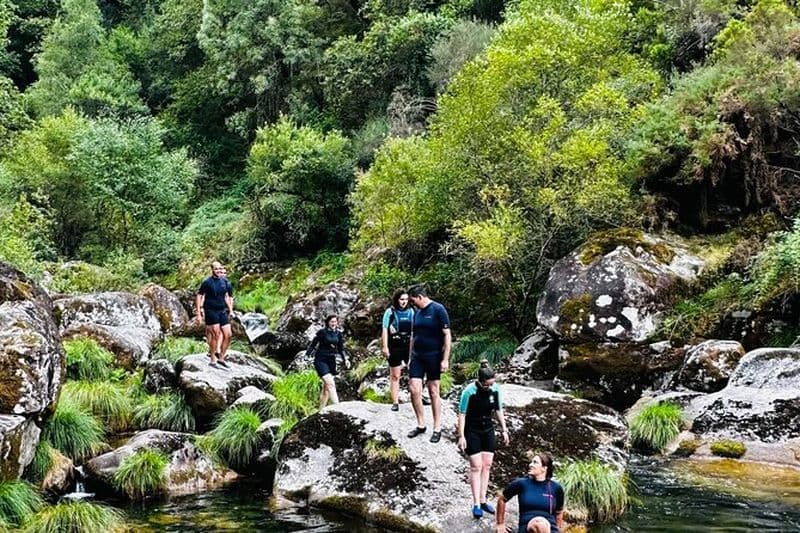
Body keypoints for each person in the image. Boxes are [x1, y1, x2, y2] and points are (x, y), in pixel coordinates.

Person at [458, 360, 509, 518]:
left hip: (488, 429)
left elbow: (498, 410)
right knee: (476, 466)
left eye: (492, 384)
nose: (490, 387)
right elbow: (462, 413)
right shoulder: (469, 391)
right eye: (487, 385)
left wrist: (504, 429)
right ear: (480, 382)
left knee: (487, 465)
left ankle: (483, 499)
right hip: (472, 430)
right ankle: (476, 504)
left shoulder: (496, 390)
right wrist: (461, 436)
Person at [406, 284, 451, 443]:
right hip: (417, 356)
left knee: (433, 391)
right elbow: (413, 335)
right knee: (414, 389)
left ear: (419, 297)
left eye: (413, 300)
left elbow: (447, 335)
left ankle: (437, 427)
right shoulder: (416, 313)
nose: (411, 304)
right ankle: (420, 424)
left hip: (434, 355)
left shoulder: (438, 310)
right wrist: (410, 356)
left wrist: (445, 359)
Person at [495, 452, 565, 533]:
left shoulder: (556, 488)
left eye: (535, 462)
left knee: (542, 525)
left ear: (544, 468)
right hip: (527, 527)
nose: (530, 465)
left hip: (550, 528)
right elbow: (502, 499)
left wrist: (558, 528)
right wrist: (500, 524)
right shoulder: (521, 483)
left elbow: (559, 511)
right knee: (539, 524)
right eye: (531, 462)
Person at [195, 261, 234, 368]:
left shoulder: (224, 281)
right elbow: (199, 296)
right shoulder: (207, 282)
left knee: (228, 334)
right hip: (210, 310)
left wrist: (230, 310)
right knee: (216, 335)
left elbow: (227, 296)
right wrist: (199, 313)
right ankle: (212, 358)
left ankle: (221, 357)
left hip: (222, 310)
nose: (218, 270)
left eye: (219, 268)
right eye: (216, 269)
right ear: (212, 270)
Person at [381, 288, 414, 412]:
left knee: (414, 373)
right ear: (397, 300)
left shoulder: (412, 312)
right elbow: (384, 330)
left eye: (406, 299)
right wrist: (385, 347)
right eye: (401, 299)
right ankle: (395, 402)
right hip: (394, 345)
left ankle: (417, 396)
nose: (404, 302)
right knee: (395, 375)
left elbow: (414, 331)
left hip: (408, 345)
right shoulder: (390, 312)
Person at [307, 315, 347, 408]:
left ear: (337, 323)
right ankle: (338, 407)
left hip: (331, 361)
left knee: (326, 389)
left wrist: (346, 359)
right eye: (331, 322)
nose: (333, 324)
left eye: (335, 322)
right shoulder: (322, 332)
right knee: (330, 383)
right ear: (328, 322)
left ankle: (320, 410)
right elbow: (313, 344)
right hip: (321, 360)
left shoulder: (338, 334)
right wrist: (307, 355)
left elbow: (341, 349)